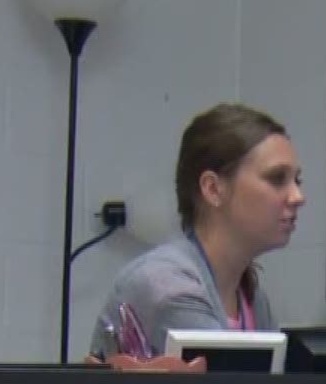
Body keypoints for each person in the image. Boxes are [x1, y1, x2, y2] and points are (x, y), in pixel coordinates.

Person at [87, 103, 304, 360]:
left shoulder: (253, 298)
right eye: (277, 178)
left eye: (297, 181)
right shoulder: (165, 285)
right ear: (213, 189)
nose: (298, 197)